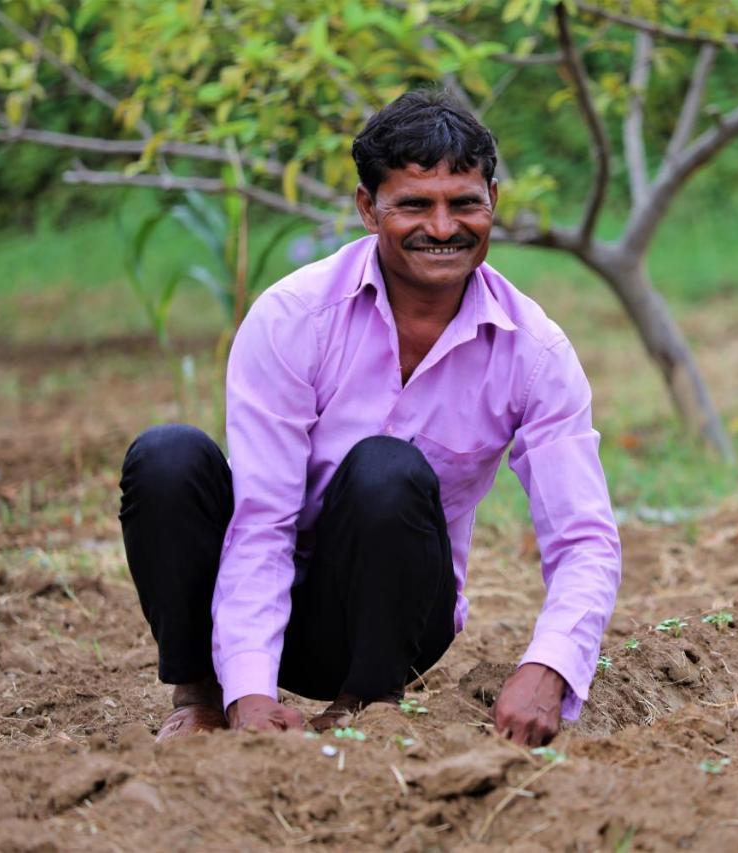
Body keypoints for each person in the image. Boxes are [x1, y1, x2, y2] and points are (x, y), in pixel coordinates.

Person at [118, 90, 622, 747]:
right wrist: (251, 692)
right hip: (255, 602)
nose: (443, 228)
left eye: (464, 202)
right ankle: (201, 695)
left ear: (492, 200)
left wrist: (549, 664)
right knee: (167, 458)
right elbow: (263, 518)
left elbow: (584, 537)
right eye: (415, 204)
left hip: (396, 619)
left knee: (386, 469)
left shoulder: (534, 351)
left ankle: (368, 701)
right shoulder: (294, 318)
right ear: (367, 208)